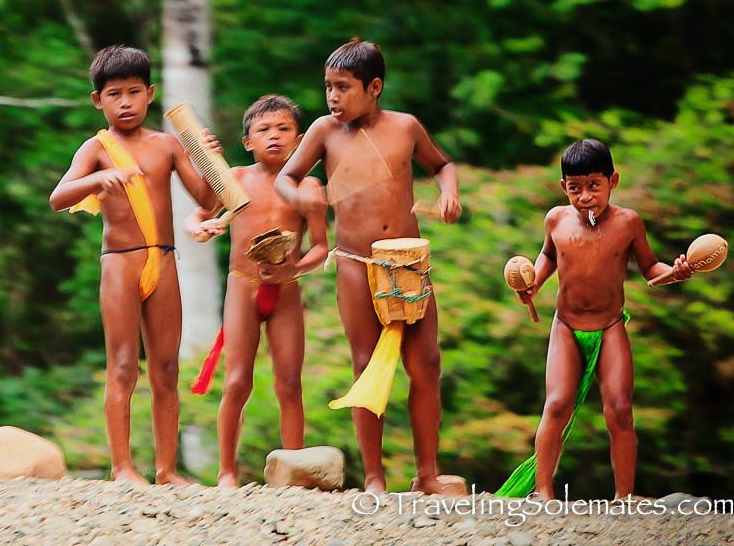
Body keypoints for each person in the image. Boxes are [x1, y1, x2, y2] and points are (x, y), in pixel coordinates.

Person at [275, 38, 461, 494]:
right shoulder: (322, 131)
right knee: (366, 366)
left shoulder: (406, 127)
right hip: (356, 263)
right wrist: (299, 197)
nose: (333, 97)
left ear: (374, 86)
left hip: (408, 262)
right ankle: (375, 477)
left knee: (426, 364)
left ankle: (427, 474)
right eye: (328, 87)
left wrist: (448, 192)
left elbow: (442, 164)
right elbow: (286, 177)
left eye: (343, 87)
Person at [49, 45, 218, 485]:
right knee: (123, 365)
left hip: (163, 262)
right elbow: (58, 197)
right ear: (97, 100)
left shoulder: (167, 145)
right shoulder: (96, 148)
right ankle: (122, 467)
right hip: (119, 265)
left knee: (166, 368)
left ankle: (166, 469)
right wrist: (96, 178)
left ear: (150, 94)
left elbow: (209, 198)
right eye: (114, 94)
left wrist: (207, 155)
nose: (125, 103)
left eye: (134, 92)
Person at [496, 139, 693, 500]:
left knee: (619, 408)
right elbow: (547, 255)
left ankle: (624, 495)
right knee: (556, 405)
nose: (585, 196)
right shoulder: (556, 219)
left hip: (609, 326)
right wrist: (534, 282)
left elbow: (650, 268)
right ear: (563, 188)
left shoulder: (628, 222)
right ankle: (543, 491)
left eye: (594, 186)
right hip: (566, 326)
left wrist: (674, 271)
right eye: (575, 188)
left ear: (612, 181)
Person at [186, 95, 329, 487]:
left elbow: (321, 247)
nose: (274, 137)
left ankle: (295, 470)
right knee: (236, 382)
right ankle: (227, 472)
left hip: (286, 291)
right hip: (242, 286)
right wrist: (201, 228)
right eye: (263, 130)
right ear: (248, 141)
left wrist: (294, 269)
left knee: (289, 383)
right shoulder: (235, 178)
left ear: (299, 139)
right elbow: (199, 217)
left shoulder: (308, 185)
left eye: (284, 129)